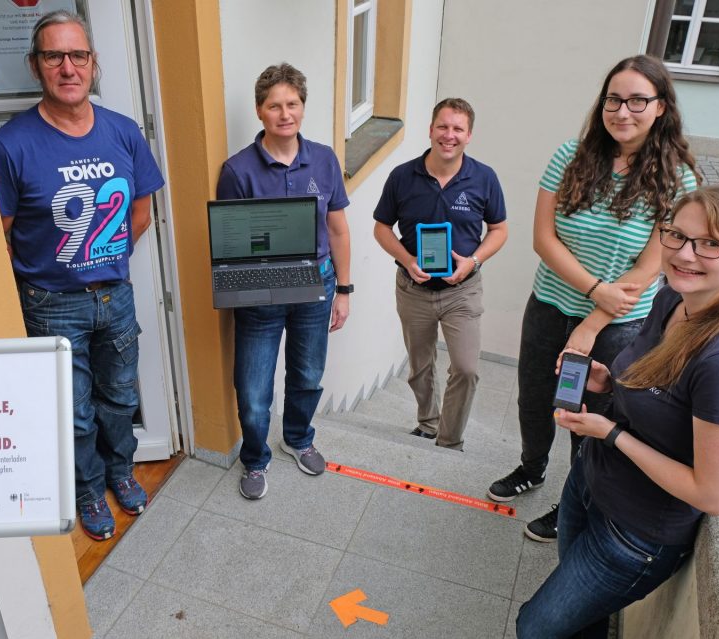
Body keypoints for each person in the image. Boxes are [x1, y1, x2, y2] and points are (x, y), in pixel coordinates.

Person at [516, 184, 719, 639]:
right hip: (590, 482)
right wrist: (609, 381)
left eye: (710, 244)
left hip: (633, 535)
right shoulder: (672, 300)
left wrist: (610, 432)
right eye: (676, 235)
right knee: (575, 605)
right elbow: (658, 390)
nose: (684, 254)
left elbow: (714, 493)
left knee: (533, 632)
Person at [488, 55, 698, 542]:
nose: (623, 111)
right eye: (614, 99)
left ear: (661, 107)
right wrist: (592, 288)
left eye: (638, 101)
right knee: (535, 399)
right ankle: (531, 468)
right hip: (549, 306)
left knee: (588, 418)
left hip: (618, 325)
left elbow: (649, 269)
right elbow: (544, 238)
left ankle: (574, 500)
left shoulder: (679, 180)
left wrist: (590, 323)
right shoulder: (571, 155)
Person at [0, 11, 165, 541]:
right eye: (54, 56)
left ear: (94, 63)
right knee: (74, 411)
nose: (68, 67)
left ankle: (119, 472)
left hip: (115, 295)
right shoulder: (10, 144)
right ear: (36, 66)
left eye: (78, 55)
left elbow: (141, 213)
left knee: (120, 398)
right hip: (50, 303)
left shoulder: (123, 132)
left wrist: (102, 259)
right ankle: (87, 488)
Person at [217, 63, 352, 500]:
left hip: (317, 281)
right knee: (254, 388)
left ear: (302, 108)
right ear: (260, 111)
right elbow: (231, 244)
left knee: (308, 374)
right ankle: (255, 459)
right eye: (274, 105)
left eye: (292, 104)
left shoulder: (325, 159)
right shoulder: (237, 171)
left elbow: (337, 230)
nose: (284, 113)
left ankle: (297, 437)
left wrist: (344, 290)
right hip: (262, 288)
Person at [373, 98, 508, 450]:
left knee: (465, 368)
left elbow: (499, 230)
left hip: (461, 291)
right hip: (413, 289)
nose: (450, 135)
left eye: (458, 129)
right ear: (431, 130)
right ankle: (428, 423)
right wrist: (406, 260)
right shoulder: (403, 176)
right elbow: (382, 228)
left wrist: (473, 261)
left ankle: (449, 440)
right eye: (443, 127)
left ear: (469, 135)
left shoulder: (484, 178)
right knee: (420, 365)